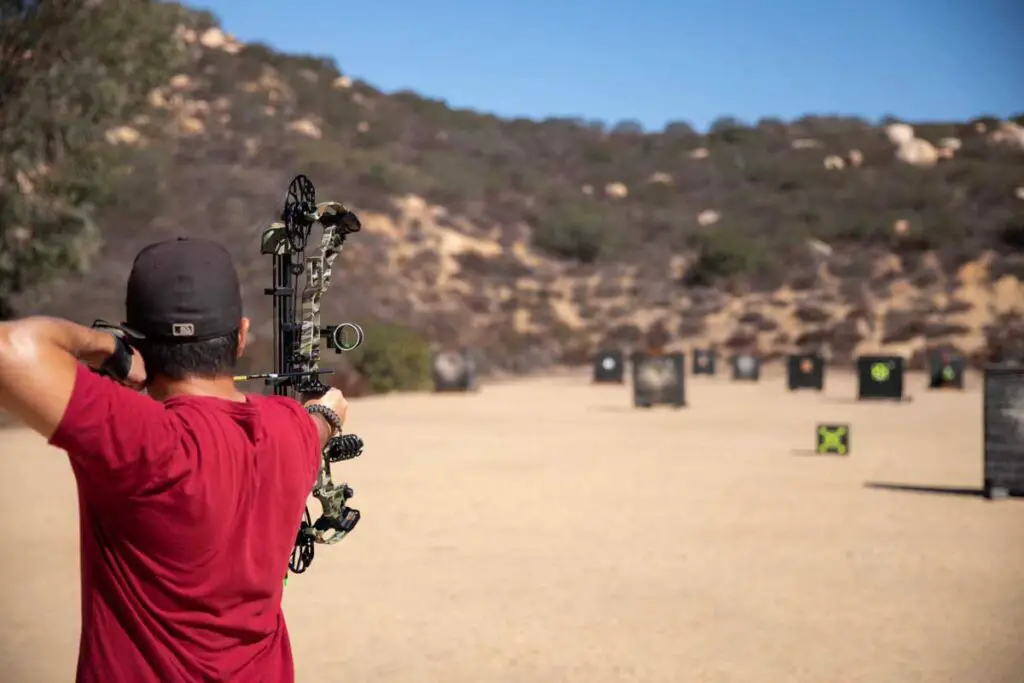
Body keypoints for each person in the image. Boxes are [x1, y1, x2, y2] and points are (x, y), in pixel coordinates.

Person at [0, 237, 350, 682]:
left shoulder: (140, 438)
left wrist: (104, 347)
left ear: (134, 341)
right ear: (241, 336)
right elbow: (320, 420)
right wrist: (327, 412)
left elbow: (10, 349)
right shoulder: (290, 426)